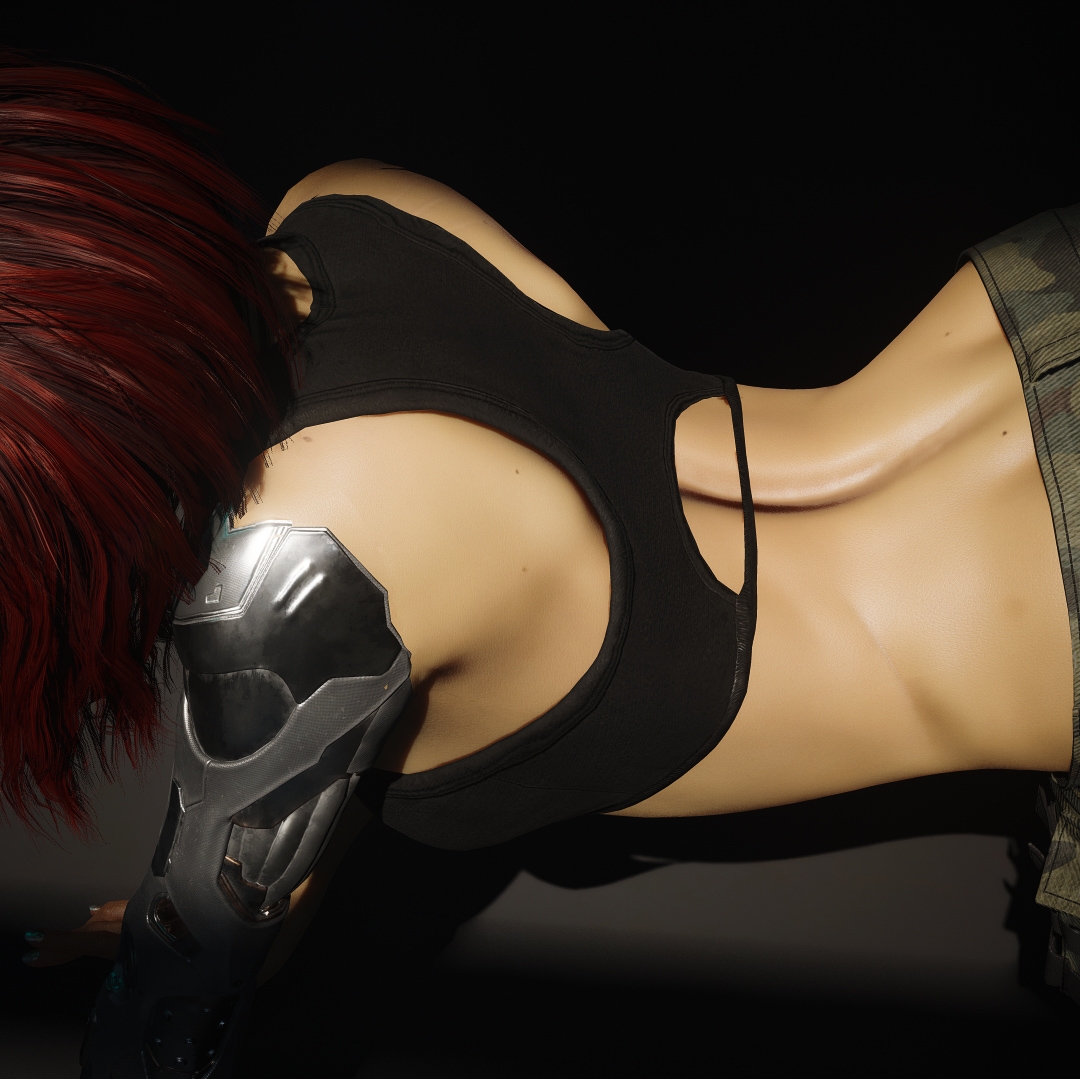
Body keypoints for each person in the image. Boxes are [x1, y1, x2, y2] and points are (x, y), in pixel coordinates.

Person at [6, 55, 1080, 1076]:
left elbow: (170, 1030)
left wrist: (183, 933)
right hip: (1026, 319)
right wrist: (199, 904)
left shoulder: (278, 600)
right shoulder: (345, 205)